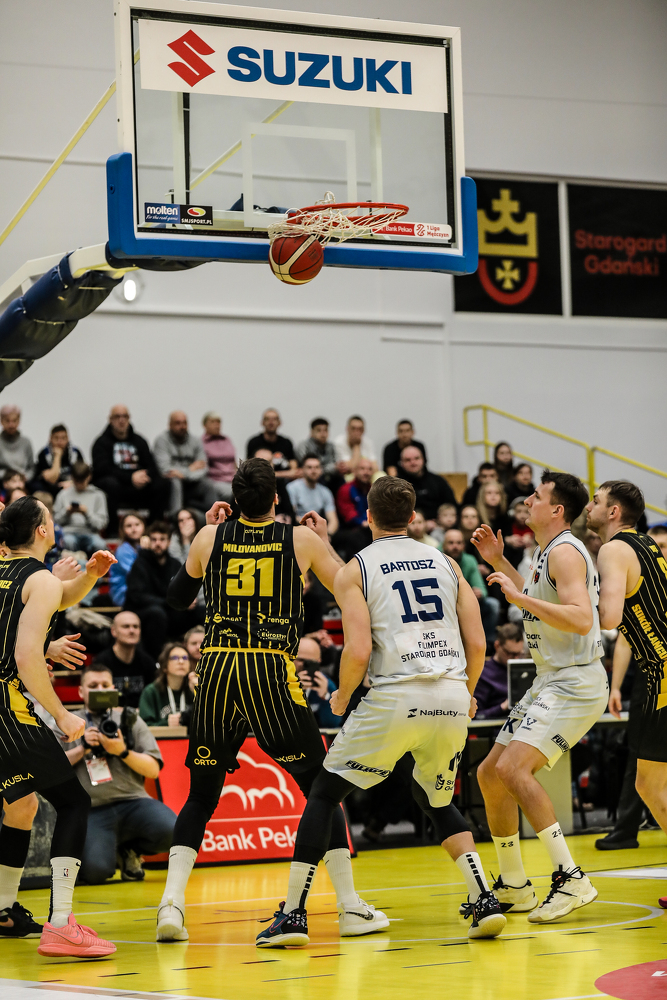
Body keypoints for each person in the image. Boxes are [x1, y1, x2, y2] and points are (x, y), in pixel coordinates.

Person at [257, 476, 506, 947]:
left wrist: (342, 695)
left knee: (324, 793)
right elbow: (477, 642)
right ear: (413, 517)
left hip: (397, 694)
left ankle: (292, 914)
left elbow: (357, 649)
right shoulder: (447, 562)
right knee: (435, 798)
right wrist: (469, 691)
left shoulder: (357, 568)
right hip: (452, 693)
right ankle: (484, 898)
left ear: (367, 516)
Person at [156, 458, 376, 942]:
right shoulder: (300, 540)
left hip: (216, 670)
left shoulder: (209, 537)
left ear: (234, 500)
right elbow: (349, 587)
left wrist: (207, 536)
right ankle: (349, 906)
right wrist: (325, 542)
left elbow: (175, 598)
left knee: (200, 796)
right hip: (269, 670)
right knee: (320, 789)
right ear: (277, 498)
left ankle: (170, 906)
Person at [470, 471, 607, 922]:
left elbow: (580, 619)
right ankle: (514, 884)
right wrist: (499, 562)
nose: (527, 500)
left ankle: (572, 878)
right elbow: (533, 596)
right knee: (490, 774)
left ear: (557, 509)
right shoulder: (546, 550)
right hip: (550, 677)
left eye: (537, 495)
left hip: (574, 680)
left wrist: (518, 597)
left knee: (513, 768)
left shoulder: (565, 551)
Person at [0, 496, 116, 956]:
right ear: (43, 530)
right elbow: (26, 655)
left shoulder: (13, 574)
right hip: (6, 710)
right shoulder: (41, 579)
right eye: (49, 517)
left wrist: (89, 577)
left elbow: (55, 598)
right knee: (73, 802)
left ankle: (4, 910)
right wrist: (63, 713)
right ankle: (62, 924)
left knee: (22, 804)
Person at [586, 481, 667, 889]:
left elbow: (610, 618)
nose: (589, 507)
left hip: (662, 675)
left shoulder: (614, 549)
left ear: (614, 511)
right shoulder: (647, 544)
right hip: (658, 670)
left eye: (596, 501)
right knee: (650, 784)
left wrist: (569, 596)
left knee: (650, 785)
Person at [57, 664, 176, 884]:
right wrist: (83, 749)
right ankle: (111, 853)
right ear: (81, 691)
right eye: (93, 686)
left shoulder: (130, 719)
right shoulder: (67, 723)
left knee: (176, 831)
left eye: (105, 685)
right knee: (96, 872)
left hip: (134, 802)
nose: (100, 690)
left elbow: (153, 769)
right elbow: (51, 768)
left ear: (113, 689)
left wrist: (121, 751)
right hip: (91, 809)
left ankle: (129, 850)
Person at [124, 522, 205, 658]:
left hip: (169, 610)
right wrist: (169, 602)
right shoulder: (140, 563)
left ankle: (205, 655)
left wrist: (187, 600)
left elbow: (183, 589)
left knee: (202, 611)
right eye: (154, 540)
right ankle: (156, 660)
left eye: (162, 539)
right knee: (157, 614)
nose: (158, 543)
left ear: (168, 542)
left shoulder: (175, 564)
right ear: (149, 542)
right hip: (144, 611)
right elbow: (137, 596)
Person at [92, 405, 170, 532]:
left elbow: (152, 466)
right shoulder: (101, 443)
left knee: (162, 484)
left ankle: (154, 529)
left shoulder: (139, 441)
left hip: (139, 486)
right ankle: (113, 531)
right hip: (117, 486)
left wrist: (143, 477)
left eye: (125, 416)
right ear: (110, 420)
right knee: (109, 484)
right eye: (117, 417)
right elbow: (101, 469)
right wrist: (130, 478)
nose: (121, 420)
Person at [154, 411, 218, 515]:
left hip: (192, 483)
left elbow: (203, 468)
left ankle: (215, 518)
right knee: (175, 482)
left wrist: (184, 474)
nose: (182, 426)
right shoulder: (162, 441)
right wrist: (190, 469)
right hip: (172, 484)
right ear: (170, 425)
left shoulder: (196, 441)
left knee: (208, 485)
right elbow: (165, 469)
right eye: (178, 423)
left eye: (184, 423)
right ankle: (177, 518)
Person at [442, 528, 500, 642]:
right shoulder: (435, 559)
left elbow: (482, 589)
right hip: (444, 602)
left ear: (463, 546)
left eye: (459, 543)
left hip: (465, 601)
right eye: (451, 543)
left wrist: (479, 592)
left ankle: (487, 644)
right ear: (443, 545)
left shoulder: (470, 560)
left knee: (492, 604)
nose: (455, 546)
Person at [93, 610, 157, 708]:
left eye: (136, 627)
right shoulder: (102, 662)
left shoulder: (148, 662)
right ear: (113, 631)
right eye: (126, 626)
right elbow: (98, 700)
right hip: (110, 714)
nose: (132, 631)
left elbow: (153, 698)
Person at [52, 461, 108, 557]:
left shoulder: (98, 495)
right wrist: (67, 512)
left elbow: (101, 525)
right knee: (68, 541)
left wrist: (86, 513)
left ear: (89, 477)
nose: (79, 484)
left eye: (82, 481)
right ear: (72, 478)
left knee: (100, 544)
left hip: (91, 533)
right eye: (76, 481)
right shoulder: (63, 494)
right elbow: (55, 522)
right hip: (68, 532)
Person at [474, 623, 527, 720]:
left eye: (519, 654)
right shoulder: (483, 674)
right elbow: (476, 716)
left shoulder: (525, 670)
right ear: (497, 646)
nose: (516, 659)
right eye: (510, 654)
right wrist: (503, 706)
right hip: (495, 726)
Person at [397, 446, 456, 531]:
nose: (413, 462)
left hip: (439, 527)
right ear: (401, 463)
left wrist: (440, 523)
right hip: (408, 529)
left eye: (416, 458)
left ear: (424, 459)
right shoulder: (395, 486)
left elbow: (451, 506)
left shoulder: (438, 481)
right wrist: (421, 524)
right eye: (408, 460)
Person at [139, 642, 195, 727]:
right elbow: (144, 727)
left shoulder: (193, 689)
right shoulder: (151, 692)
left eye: (185, 658)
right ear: (164, 666)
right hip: (161, 736)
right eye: (175, 658)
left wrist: (199, 693)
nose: (181, 662)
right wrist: (166, 724)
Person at [295, 636, 340, 730]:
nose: (304, 665)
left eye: (311, 662)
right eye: (300, 660)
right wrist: (293, 692)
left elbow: (333, 724)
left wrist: (325, 698)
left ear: (319, 661)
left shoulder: (327, 684)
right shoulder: (279, 683)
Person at [333, 457, 374, 560]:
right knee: (359, 535)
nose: (366, 472)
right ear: (355, 471)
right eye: (362, 469)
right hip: (348, 530)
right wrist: (366, 522)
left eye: (369, 469)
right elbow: (350, 517)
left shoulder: (374, 490)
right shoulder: (346, 489)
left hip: (369, 527)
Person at [287, 456, 338, 534]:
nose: (313, 471)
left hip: (318, 530)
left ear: (321, 470)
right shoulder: (292, 488)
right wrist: (311, 529)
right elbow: (291, 515)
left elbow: (333, 520)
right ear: (302, 469)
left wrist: (328, 535)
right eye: (309, 467)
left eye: (317, 467)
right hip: (298, 529)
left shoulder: (325, 491)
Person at [109, 512, 148, 607]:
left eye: (137, 525)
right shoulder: (123, 550)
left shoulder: (141, 546)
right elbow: (137, 575)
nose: (134, 529)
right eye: (129, 526)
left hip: (141, 590)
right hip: (124, 593)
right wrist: (145, 552)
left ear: (143, 526)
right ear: (122, 530)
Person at [33, 424, 84, 496]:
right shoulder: (43, 454)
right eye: (56, 438)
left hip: (72, 487)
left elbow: (82, 475)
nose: (60, 442)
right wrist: (57, 456)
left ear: (68, 439)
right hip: (51, 490)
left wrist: (72, 483)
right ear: (50, 439)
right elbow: (52, 479)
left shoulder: (75, 453)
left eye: (63, 438)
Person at [246, 408, 297, 479]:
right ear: (262, 422)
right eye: (267, 419)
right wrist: (284, 474)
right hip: (261, 481)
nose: (271, 422)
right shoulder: (254, 443)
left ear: (279, 423)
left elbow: (294, 470)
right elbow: (249, 469)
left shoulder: (286, 443)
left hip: (284, 482)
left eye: (274, 419)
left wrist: (274, 475)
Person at [295, 418, 340, 491]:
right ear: (312, 432)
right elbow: (307, 466)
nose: (323, 434)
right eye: (319, 430)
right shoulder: (304, 446)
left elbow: (336, 465)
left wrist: (330, 468)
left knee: (340, 479)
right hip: (310, 477)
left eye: (325, 430)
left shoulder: (331, 446)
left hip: (329, 477)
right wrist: (328, 468)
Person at [201, 412, 236, 501]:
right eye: (213, 422)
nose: (216, 425)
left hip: (233, 478)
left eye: (218, 422)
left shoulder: (227, 440)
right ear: (205, 425)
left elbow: (233, 461)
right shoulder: (202, 443)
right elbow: (202, 466)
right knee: (232, 493)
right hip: (215, 480)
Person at [0, 405, 34, 481]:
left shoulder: (26, 442)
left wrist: (25, 477)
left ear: (19, 421)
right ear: (1, 421)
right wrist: (7, 476)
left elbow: (31, 468)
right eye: (7, 421)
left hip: (23, 481)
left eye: (14, 421)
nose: (11, 425)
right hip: (3, 481)